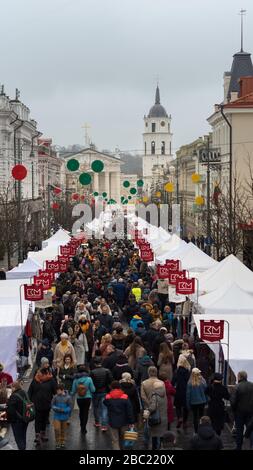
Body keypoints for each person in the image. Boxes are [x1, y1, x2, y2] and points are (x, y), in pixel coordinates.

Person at [28, 366, 57, 445]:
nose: (38, 374)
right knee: (40, 420)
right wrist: (29, 402)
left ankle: (41, 435)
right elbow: (30, 391)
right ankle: (39, 436)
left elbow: (55, 391)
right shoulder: (37, 380)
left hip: (43, 404)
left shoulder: (48, 380)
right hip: (40, 404)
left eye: (39, 372)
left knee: (42, 420)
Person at [104, 381, 135, 450]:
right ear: (120, 387)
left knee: (115, 440)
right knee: (124, 439)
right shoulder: (125, 396)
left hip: (112, 421)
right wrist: (131, 421)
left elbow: (105, 403)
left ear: (111, 387)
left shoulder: (108, 397)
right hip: (124, 421)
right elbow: (129, 410)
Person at [230, 370, 253, 450]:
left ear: (239, 377)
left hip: (239, 412)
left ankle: (238, 447)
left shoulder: (237, 387)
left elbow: (233, 401)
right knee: (250, 429)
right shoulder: (252, 385)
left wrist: (233, 410)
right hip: (250, 411)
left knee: (239, 430)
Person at [143, 380, 168, 450]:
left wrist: (148, 409)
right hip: (163, 417)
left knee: (155, 435)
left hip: (156, 418)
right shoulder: (164, 394)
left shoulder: (155, 396)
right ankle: (160, 447)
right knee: (161, 435)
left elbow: (153, 407)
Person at [71, 365, 95, 434]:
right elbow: (93, 390)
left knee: (81, 412)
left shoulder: (75, 380)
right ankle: (84, 427)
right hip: (87, 398)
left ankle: (81, 425)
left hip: (79, 398)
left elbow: (73, 391)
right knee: (86, 412)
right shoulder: (89, 379)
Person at [90, 357, 113, 431]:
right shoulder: (107, 371)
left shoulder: (92, 372)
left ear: (95, 364)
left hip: (95, 392)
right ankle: (104, 425)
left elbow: (91, 383)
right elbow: (111, 380)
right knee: (104, 408)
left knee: (95, 407)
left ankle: (97, 422)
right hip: (105, 391)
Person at [6, 381, 29, 450]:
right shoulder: (24, 392)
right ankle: (23, 448)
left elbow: (11, 410)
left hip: (17, 421)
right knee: (23, 436)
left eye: (12, 387)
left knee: (18, 438)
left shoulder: (13, 396)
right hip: (25, 418)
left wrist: (10, 420)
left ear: (14, 387)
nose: (11, 389)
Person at [172, 354, 191, 430]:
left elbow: (173, 382)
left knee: (178, 406)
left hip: (178, 390)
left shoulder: (176, 372)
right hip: (186, 391)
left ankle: (179, 417)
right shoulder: (187, 372)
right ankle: (185, 421)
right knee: (186, 407)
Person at [186, 367, 207, 433]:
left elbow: (188, 395)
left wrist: (187, 404)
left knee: (195, 417)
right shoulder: (202, 381)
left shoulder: (189, 383)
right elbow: (206, 389)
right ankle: (202, 429)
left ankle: (196, 431)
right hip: (202, 401)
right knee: (201, 416)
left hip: (193, 402)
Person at [51, 384, 72, 449]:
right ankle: (57, 442)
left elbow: (70, 407)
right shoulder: (55, 397)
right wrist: (56, 408)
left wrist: (64, 410)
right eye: (57, 390)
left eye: (58, 390)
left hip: (64, 417)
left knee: (63, 430)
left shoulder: (68, 397)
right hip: (56, 416)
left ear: (62, 390)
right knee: (57, 429)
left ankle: (62, 442)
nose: (57, 392)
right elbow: (52, 405)